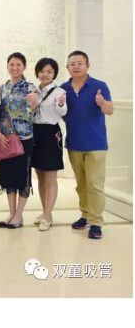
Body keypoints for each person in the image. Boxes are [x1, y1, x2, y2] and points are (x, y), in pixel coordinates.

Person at [61, 51, 113, 240]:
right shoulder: (63, 89)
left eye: (79, 63)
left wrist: (102, 102)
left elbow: (110, 110)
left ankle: (96, 222)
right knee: (81, 184)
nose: (75, 66)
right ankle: (85, 215)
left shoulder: (100, 86)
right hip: (74, 143)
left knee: (95, 184)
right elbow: (62, 114)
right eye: (72, 64)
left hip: (96, 144)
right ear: (67, 67)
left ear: (87, 66)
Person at [0, 52, 40, 229]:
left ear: (24, 67)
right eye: (11, 65)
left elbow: (33, 114)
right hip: (5, 139)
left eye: (18, 65)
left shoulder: (30, 88)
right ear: (7, 66)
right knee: (8, 177)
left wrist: (34, 103)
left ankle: (19, 215)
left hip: (23, 139)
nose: (14, 68)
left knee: (22, 177)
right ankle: (11, 213)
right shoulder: (2, 88)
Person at [31, 58, 68, 231]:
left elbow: (62, 110)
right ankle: (46, 211)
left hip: (51, 133)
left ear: (54, 74)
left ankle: (47, 216)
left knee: (50, 177)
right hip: (35, 132)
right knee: (39, 175)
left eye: (49, 72)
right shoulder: (33, 90)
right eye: (42, 71)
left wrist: (61, 104)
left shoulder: (59, 91)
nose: (45, 74)